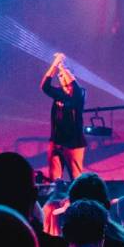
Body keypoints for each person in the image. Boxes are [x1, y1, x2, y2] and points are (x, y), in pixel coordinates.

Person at [40, 52, 86, 181]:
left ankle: (78, 194)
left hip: (74, 143)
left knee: (76, 177)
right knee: (54, 179)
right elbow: (44, 86)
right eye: (59, 75)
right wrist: (55, 64)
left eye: (64, 74)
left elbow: (75, 88)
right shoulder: (58, 93)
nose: (61, 77)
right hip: (56, 141)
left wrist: (63, 68)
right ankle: (57, 194)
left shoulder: (80, 93)